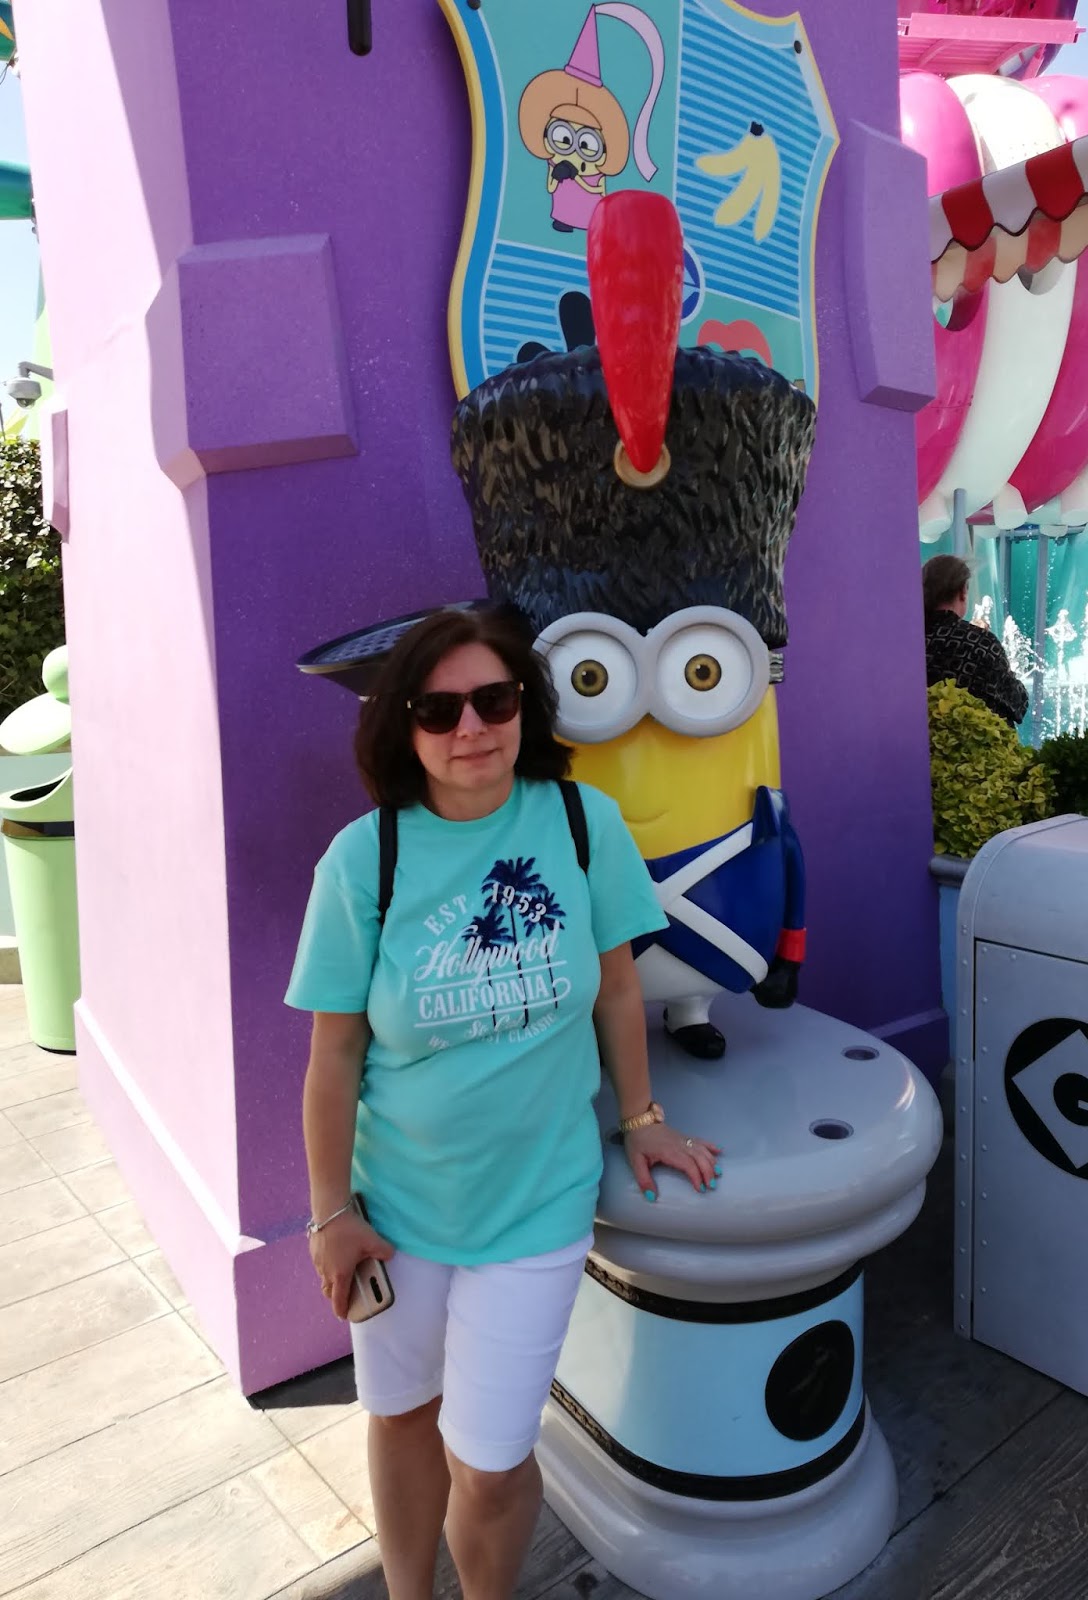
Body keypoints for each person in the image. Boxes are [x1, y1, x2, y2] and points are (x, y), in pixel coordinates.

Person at [286, 604, 720, 1600]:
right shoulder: (364, 859)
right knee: (401, 1414)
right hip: (396, 1212)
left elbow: (618, 989)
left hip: (537, 1204)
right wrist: (329, 1213)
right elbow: (334, 1054)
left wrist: (642, 1120)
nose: (471, 727)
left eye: (494, 698)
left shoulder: (581, 823)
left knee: (489, 1461)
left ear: (526, 705)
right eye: (438, 710)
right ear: (402, 726)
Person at [923, 554, 1029, 727]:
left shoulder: (908, 642)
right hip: (975, 741)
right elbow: (1017, 704)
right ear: (962, 592)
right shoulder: (980, 642)